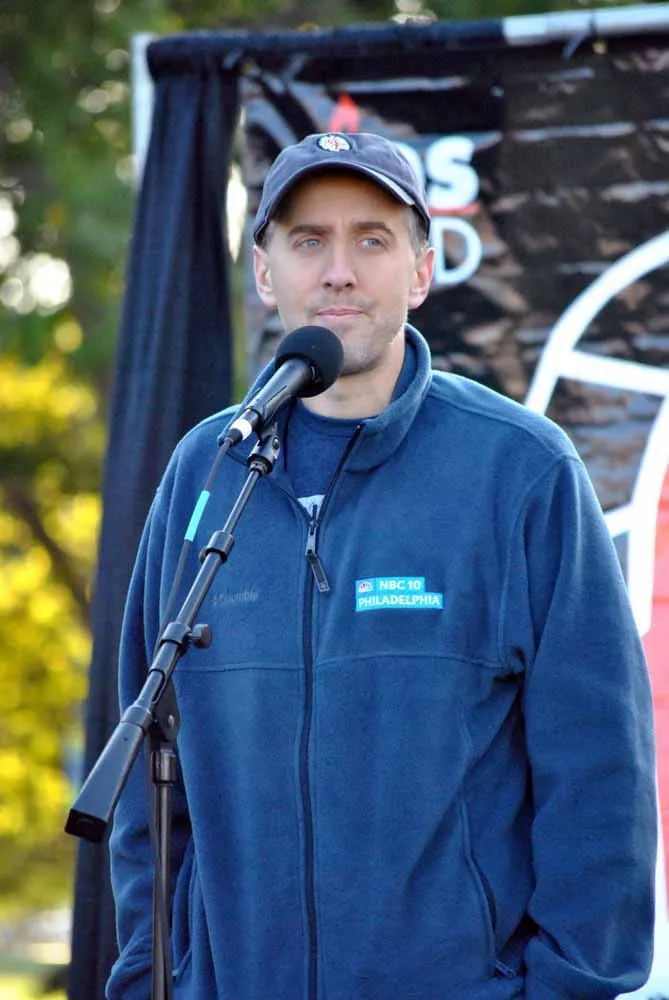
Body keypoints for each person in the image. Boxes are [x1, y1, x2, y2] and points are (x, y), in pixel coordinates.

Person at [106, 131, 657, 1000]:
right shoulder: (204, 472)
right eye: (308, 241)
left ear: (421, 271)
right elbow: (147, 775)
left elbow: (599, 778)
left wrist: (564, 989)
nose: (338, 272)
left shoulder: (520, 470)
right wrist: (150, 979)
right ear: (264, 272)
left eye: (371, 239)